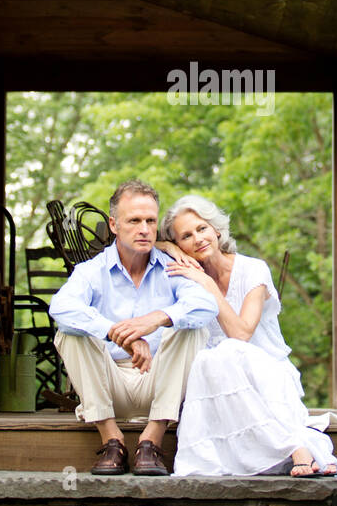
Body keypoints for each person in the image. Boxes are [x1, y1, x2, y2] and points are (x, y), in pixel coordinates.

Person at [157, 195, 337, 478]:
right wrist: (164, 245)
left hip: (265, 373)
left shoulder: (252, 269)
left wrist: (208, 285)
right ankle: (297, 449)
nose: (197, 238)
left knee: (226, 352)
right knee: (208, 360)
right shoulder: (186, 276)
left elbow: (240, 334)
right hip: (216, 381)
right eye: (185, 236)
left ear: (216, 229)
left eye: (202, 228)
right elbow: (136, 245)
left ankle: (295, 447)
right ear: (179, 247)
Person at [48, 180, 217, 475]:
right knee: (69, 332)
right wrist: (118, 332)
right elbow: (61, 308)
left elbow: (206, 306)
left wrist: (155, 319)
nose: (144, 229)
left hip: (160, 384)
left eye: (150, 221)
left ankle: (151, 442)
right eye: (134, 220)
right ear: (114, 224)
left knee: (192, 327)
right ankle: (111, 441)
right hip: (108, 386)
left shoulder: (170, 268)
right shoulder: (91, 271)